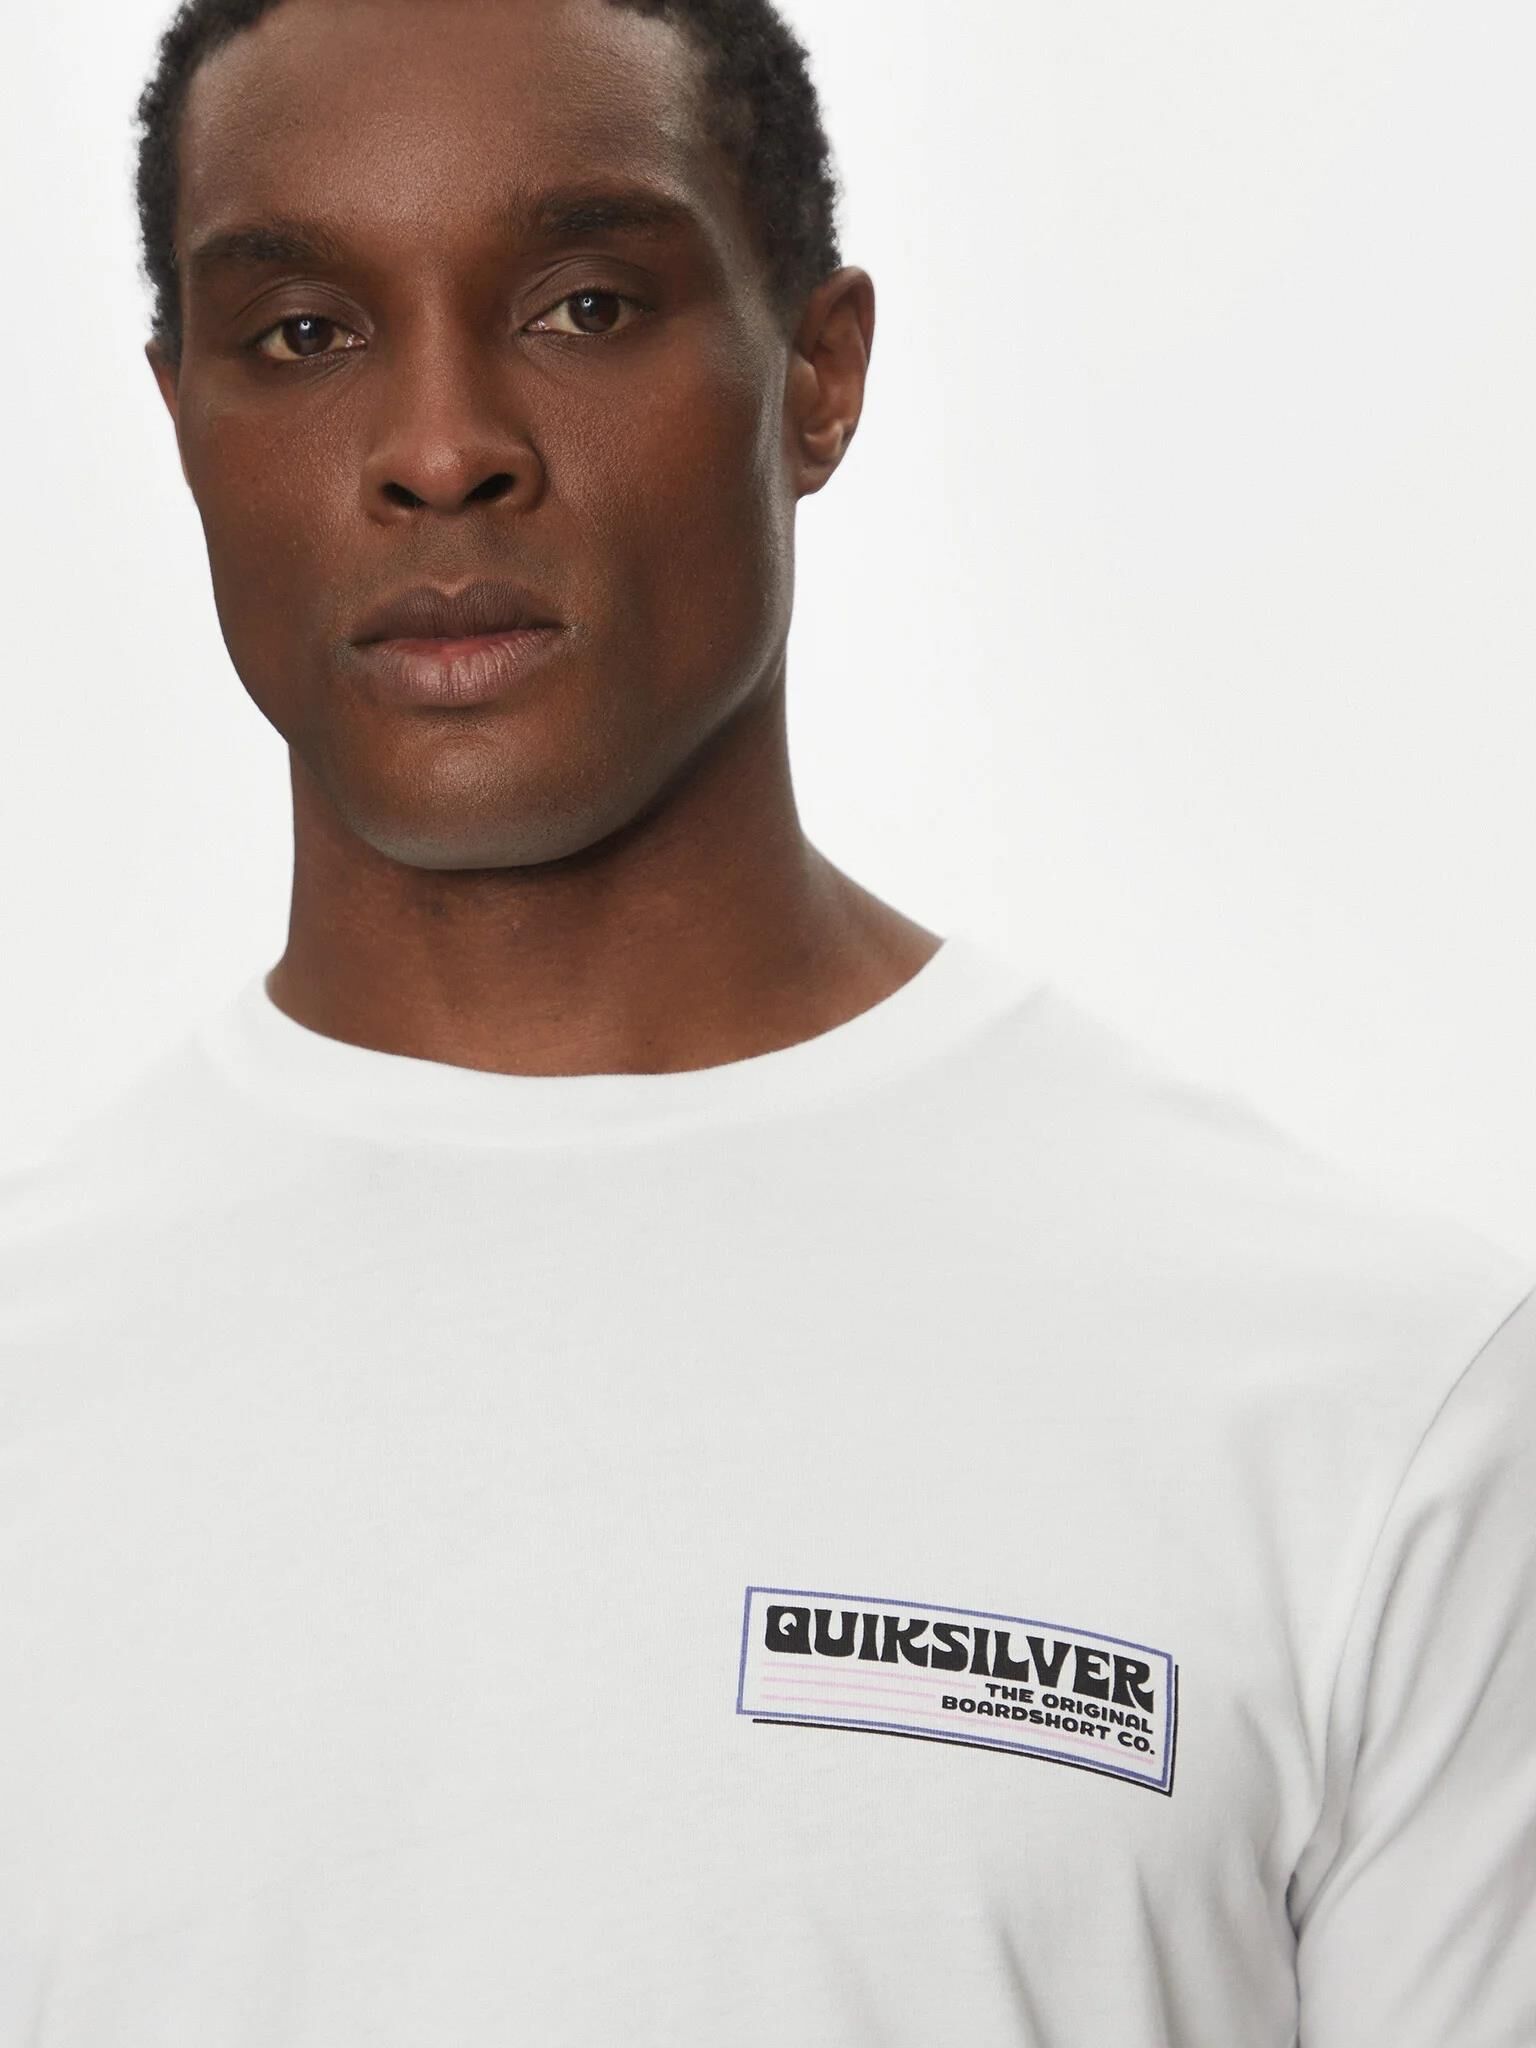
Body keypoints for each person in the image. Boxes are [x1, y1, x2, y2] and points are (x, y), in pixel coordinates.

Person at [1, 0, 1532, 2041]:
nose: (442, 447)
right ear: (182, 415)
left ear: (816, 373)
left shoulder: (1363, 1390)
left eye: (583, 305)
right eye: (301, 333)